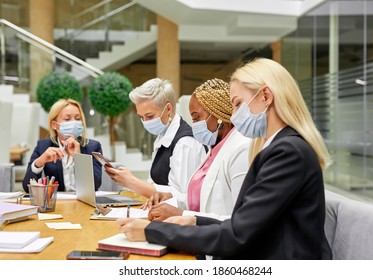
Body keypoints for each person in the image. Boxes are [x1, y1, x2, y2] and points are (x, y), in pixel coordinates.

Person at [116, 58, 333, 260]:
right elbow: (243, 224)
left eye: (238, 104)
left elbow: (237, 234)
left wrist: (152, 231)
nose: (234, 115)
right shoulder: (280, 147)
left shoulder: (287, 152)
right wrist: (193, 220)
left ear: (266, 96)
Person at [146, 78, 250, 221]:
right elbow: (203, 200)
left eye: (196, 118)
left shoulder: (241, 149)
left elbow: (241, 219)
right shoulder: (214, 149)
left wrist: (181, 215)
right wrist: (173, 199)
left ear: (218, 114)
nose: (193, 125)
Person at [105, 78, 206, 201]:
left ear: (168, 109)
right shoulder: (162, 137)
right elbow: (154, 183)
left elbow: (184, 198)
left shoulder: (185, 144)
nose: (145, 122)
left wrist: (132, 182)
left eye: (149, 116)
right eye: (141, 117)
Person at [23, 99, 102, 192]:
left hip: (85, 202)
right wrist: (40, 162)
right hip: (58, 203)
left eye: (77, 118)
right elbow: (27, 188)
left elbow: (96, 184)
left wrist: (79, 158)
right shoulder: (43, 146)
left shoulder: (93, 147)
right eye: (67, 119)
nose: (74, 123)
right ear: (54, 125)